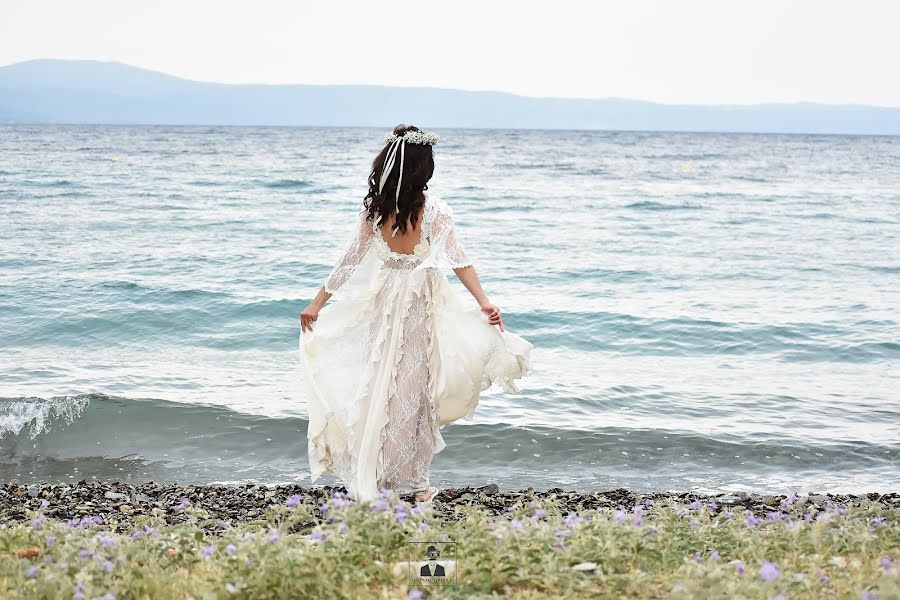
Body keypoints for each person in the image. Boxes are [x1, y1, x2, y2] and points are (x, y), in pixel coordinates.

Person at [299, 124, 532, 504]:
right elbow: (459, 261)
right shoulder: (434, 210)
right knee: (413, 388)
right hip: (419, 302)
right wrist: (484, 302)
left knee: (381, 383)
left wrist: (317, 303)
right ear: (422, 169)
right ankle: (409, 481)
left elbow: (349, 261)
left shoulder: (376, 210)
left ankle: (378, 472)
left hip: (387, 299)